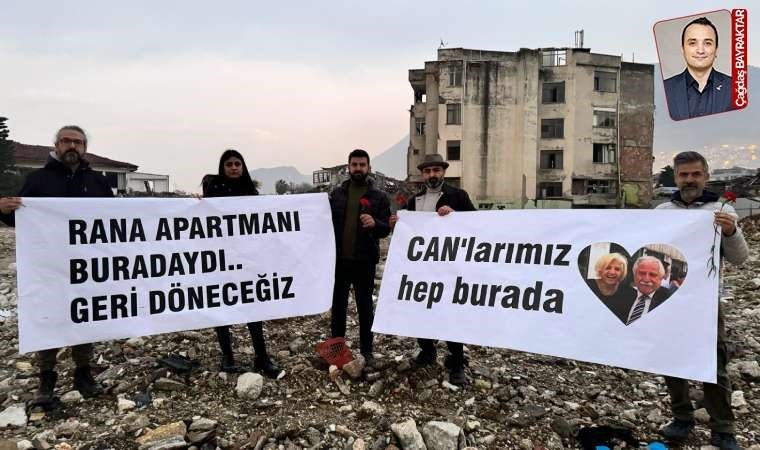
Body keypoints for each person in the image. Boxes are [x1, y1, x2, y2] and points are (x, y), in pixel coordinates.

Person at [0, 125, 108, 407]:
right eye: (66, 141)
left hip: (86, 265)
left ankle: (84, 374)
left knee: (85, 317)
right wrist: (4, 210)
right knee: (48, 317)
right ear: (56, 145)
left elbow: (116, 220)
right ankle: (46, 378)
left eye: (78, 142)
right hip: (48, 266)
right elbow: (18, 219)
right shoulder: (37, 180)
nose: (72, 146)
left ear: (85, 147)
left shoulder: (97, 182)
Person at [655, 151, 749, 450]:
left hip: (705, 304)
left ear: (706, 176)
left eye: (696, 174)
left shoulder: (721, 211)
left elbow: (740, 258)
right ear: (676, 177)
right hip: (668, 301)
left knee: (714, 364)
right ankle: (682, 417)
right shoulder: (662, 212)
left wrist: (731, 231)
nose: (690, 180)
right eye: (684, 175)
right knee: (672, 360)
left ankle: (723, 427)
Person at [389, 153, 476, 385]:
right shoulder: (414, 201)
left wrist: (456, 216)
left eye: (436, 170)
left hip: (449, 267)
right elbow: (408, 231)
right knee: (421, 309)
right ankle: (427, 351)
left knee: (450, 313)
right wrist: (397, 225)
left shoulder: (458, 196)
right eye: (427, 171)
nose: (432, 175)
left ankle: (457, 361)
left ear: (443, 172)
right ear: (422, 174)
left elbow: (476, 223)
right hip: (422, 268)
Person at [200, 149, 282, 379]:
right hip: (220, 259)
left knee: (253, 307)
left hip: (246, 259)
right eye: (229, 164)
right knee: (222, 306)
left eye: (238, 164)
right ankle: (227, 357)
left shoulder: (250, 191)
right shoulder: (213, 189)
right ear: (222, 167)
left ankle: (261, 357)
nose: (234, 168)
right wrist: (198, 203)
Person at [328, 149, 391, 364]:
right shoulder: (336, 195)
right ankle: (337, 352)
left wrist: (375, 224)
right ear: (348, 167)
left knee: (365, 308)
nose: (358, 168)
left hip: (365, 262)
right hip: (339, 262)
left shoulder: (379, 197)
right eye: (354, 165)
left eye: (362, 165)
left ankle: (367, 351)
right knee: (338, 308)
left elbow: (385, 229)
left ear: (369, 168)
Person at [664, 16, 732, 120]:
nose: (700, 50)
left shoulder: (736, 89)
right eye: (692, 43)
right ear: (683, 49)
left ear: (716, 50)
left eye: (707, 43)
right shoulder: (664, 89)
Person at [612, 256, 671, 325]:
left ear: (660, 279)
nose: (646, 279)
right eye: (642, 273)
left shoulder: (669, 301)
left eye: (652, 275)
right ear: (634, 275)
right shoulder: (621, 295)